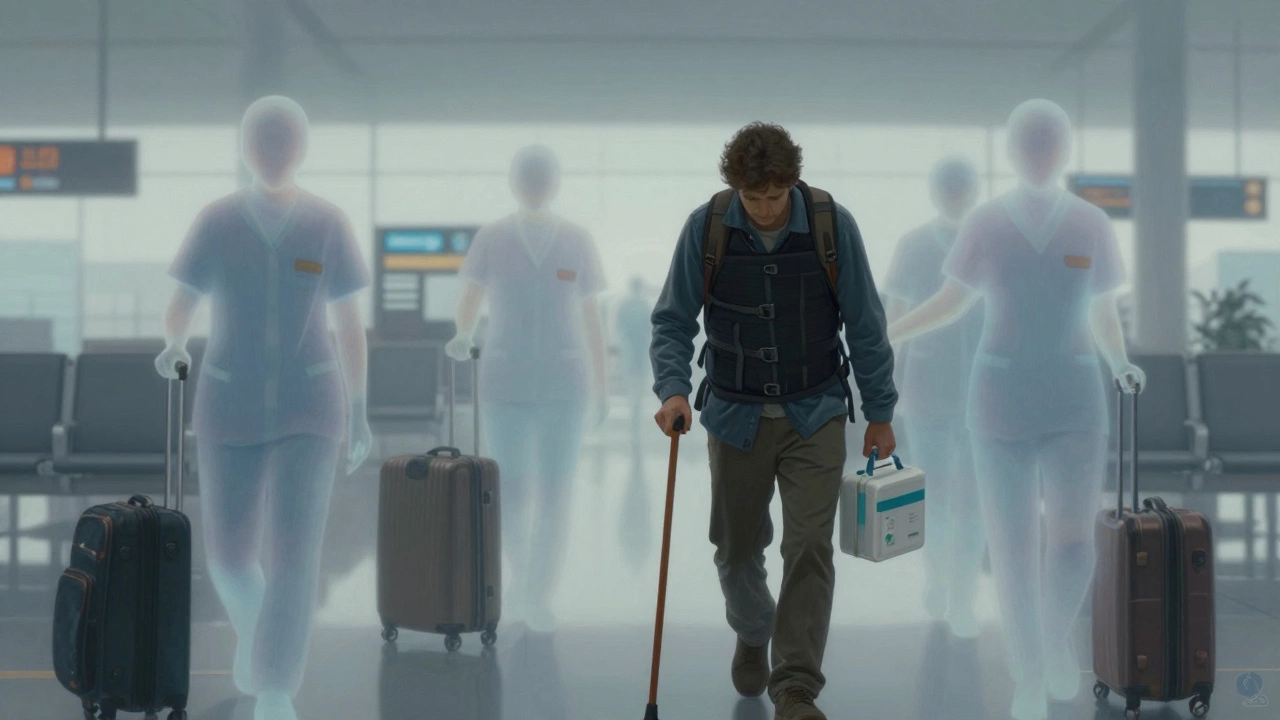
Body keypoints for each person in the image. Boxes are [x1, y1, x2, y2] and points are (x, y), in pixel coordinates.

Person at [887, 99, 1145, 720]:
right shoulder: (987, 222)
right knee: (1012, 549)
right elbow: (952, 299)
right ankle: (1029, 676)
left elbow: (1102, 308)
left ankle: (1051, 640)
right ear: (1012, 150)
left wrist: (1118, 362)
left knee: (1074, 545)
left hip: (1075, 399)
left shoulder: (1089, 222)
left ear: (1064, 149)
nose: (1039, 152)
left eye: (1048, 140)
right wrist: (890, 335)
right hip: (999, 403)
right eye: (1029, 141)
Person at [650, 122, 898, 720]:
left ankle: (795, 687)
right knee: (735, 550)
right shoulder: (707, 227)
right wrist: (673, 390)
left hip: (816, 412)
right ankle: (754, 628)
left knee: (809, 546)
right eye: (753, 197)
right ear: (736, 187)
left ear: (793, 182)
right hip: (734, 416)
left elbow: (865, 322)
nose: (764, 209)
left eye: (775, 196)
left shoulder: (831, 225)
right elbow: (673, 320)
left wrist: (880, 412)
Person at [154, 96, 372, 720]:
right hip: (230, 401)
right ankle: (258, 633)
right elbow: (182, 302)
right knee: (228, 557)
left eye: (286, 140)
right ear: (247, 148)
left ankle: (276, 687)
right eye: (263, 140)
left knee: (295, 554)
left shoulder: (327, 222)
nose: (275, 151)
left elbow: (348, 322)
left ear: (301, 148)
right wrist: (173, 343)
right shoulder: (217, 220)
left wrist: (359, 407)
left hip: (311, 404)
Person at [444, 144, 608, 633]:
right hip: (506, 383)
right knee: (510, 491)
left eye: (543, 177)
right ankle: (519, 580)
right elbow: (471, 295)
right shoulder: (493, 238)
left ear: (554, 184)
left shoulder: (577, 239)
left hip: (564, 384)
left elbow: (591, 317)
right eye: (528, 177)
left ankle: (538, 594)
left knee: (555, 493)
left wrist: (602, 387)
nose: (535, 186)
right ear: (515, 183)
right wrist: (463, 333)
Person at [881, 157, 986, 637]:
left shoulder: (989, 243)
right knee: (937, 494)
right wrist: (887, 384)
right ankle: (938, 577)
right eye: (948, 188)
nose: (955, 196)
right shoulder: (915, 245)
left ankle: (963, 596)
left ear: (974, 192)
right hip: (928, 390)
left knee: (973, 499)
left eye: (962, 188)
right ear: (935, 193)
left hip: (982, 392)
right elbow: (897, 315)